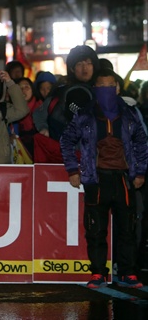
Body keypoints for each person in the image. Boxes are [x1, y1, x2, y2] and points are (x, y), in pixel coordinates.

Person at [60, 68, 147, 289]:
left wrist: (140, 172)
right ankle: (97, 272)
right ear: (95, 89)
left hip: (123, 179)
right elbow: (66, 141)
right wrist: (73, 170)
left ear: (117, 88)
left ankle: (129, 272)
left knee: (127, 228)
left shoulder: (130, 113)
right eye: (102, 87)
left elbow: (141, 143)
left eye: (111, 86)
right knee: (95, 229)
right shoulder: (84, 115)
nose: (107, 90)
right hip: (95, 180)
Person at [33, 45, 100, 163]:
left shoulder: (101, 90)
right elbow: (39, 113)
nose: (85, 68)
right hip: (66, 155)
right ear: (72, 68)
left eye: (88, 63)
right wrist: (43, 128)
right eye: (79, 64)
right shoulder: (60, 91)